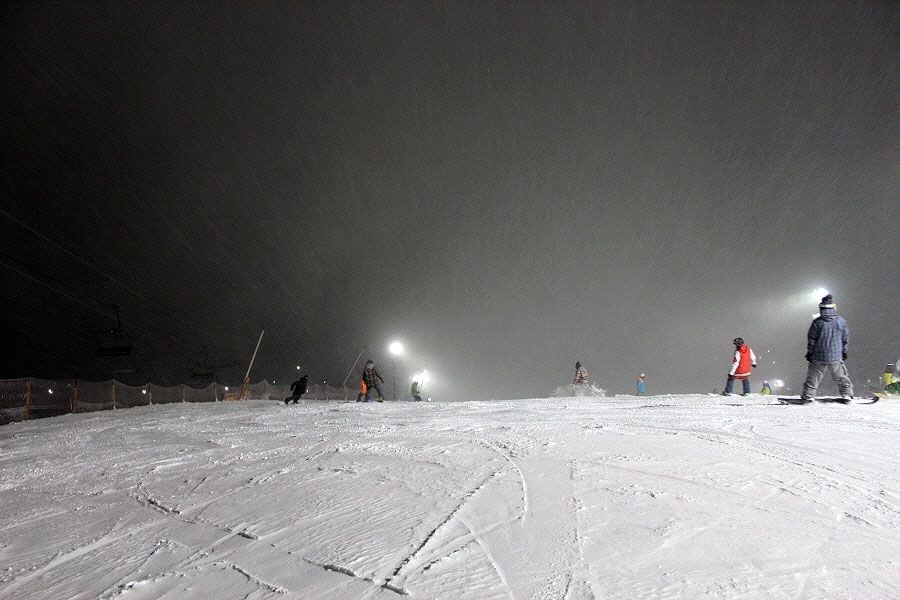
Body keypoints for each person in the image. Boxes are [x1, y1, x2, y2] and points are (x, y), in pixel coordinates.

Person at [801, 294, 853, 401]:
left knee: (814, 377)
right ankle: (847, 394)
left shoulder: (817, 322)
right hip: (835, 354)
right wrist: (844, 351)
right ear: (833, 307)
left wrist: (810, 352)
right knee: (840, 376)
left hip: (818, 355)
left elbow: (811, 339)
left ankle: (808, 395)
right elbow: (845, 338)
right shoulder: (840, 321)